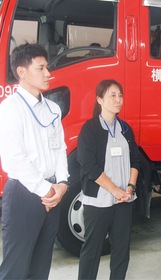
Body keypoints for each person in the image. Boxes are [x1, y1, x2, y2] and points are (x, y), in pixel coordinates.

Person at [0, 43, 69, 279]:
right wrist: (47, 189)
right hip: (24, 193)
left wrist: (62, 182)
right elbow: (15, 158)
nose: (48, 73)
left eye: (47, 67)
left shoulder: (53, 108)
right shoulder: (9, 109)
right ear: (22, 72)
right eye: (41, 68)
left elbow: (60, 147)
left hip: (52, 193)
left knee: (41, 265)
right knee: (15, 267)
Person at [77, 79, 140, 280]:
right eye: (112, 95)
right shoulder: (90, 129)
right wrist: (114, 190)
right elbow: (88, 165)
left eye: (120, 95)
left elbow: (136, 159)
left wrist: (130, 187)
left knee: (121, 250)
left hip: (123, 200)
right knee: (92, 250)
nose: (118, 99)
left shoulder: (125, 129)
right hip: (99, 201)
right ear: (99, 99)